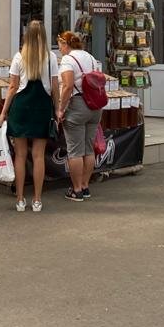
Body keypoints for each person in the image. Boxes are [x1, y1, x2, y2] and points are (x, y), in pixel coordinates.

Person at [0, 20, 59, 213]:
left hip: (21, 108)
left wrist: (3, 113)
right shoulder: (51, 57)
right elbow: (55, 87)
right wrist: (58, 109)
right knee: (38, 155)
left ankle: (20, 199)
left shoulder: (19, 57)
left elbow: (12, 87)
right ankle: (38, 199)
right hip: (42, 107)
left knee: (20, 155)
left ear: (26, 36)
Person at [56, 30, 103, 202]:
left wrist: (61, 109)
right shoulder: (91, 57)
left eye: (60, 45)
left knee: (75, 151)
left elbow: (68, 86)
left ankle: (76, 190)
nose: (59, 49)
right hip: (95, 106)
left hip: (77, 106)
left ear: (65, 44)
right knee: (89, 149)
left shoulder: (68, 60)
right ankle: (85, 186)